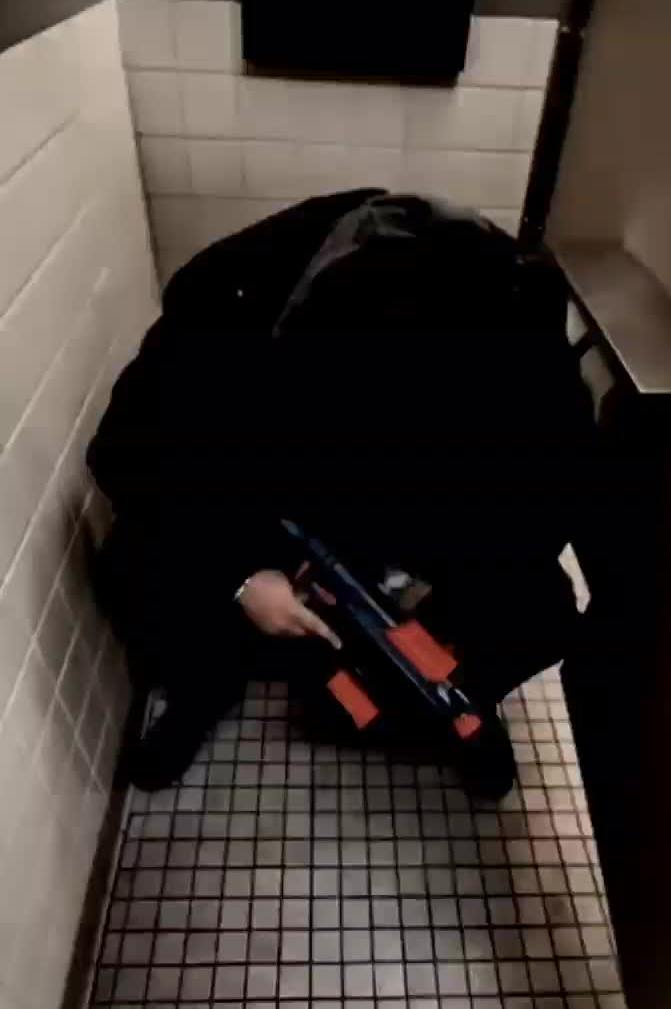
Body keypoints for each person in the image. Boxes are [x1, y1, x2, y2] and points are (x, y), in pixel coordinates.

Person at [88, 191, 593, 794]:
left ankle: (441, 703)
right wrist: (242, 575)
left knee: (541, 607)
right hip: (268, 499)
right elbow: (122, 455)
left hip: (381, 500)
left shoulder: (514, 317)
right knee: (132, 563)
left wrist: (437, 618)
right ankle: (214, 674)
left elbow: (553, 493)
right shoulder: (227, 303)